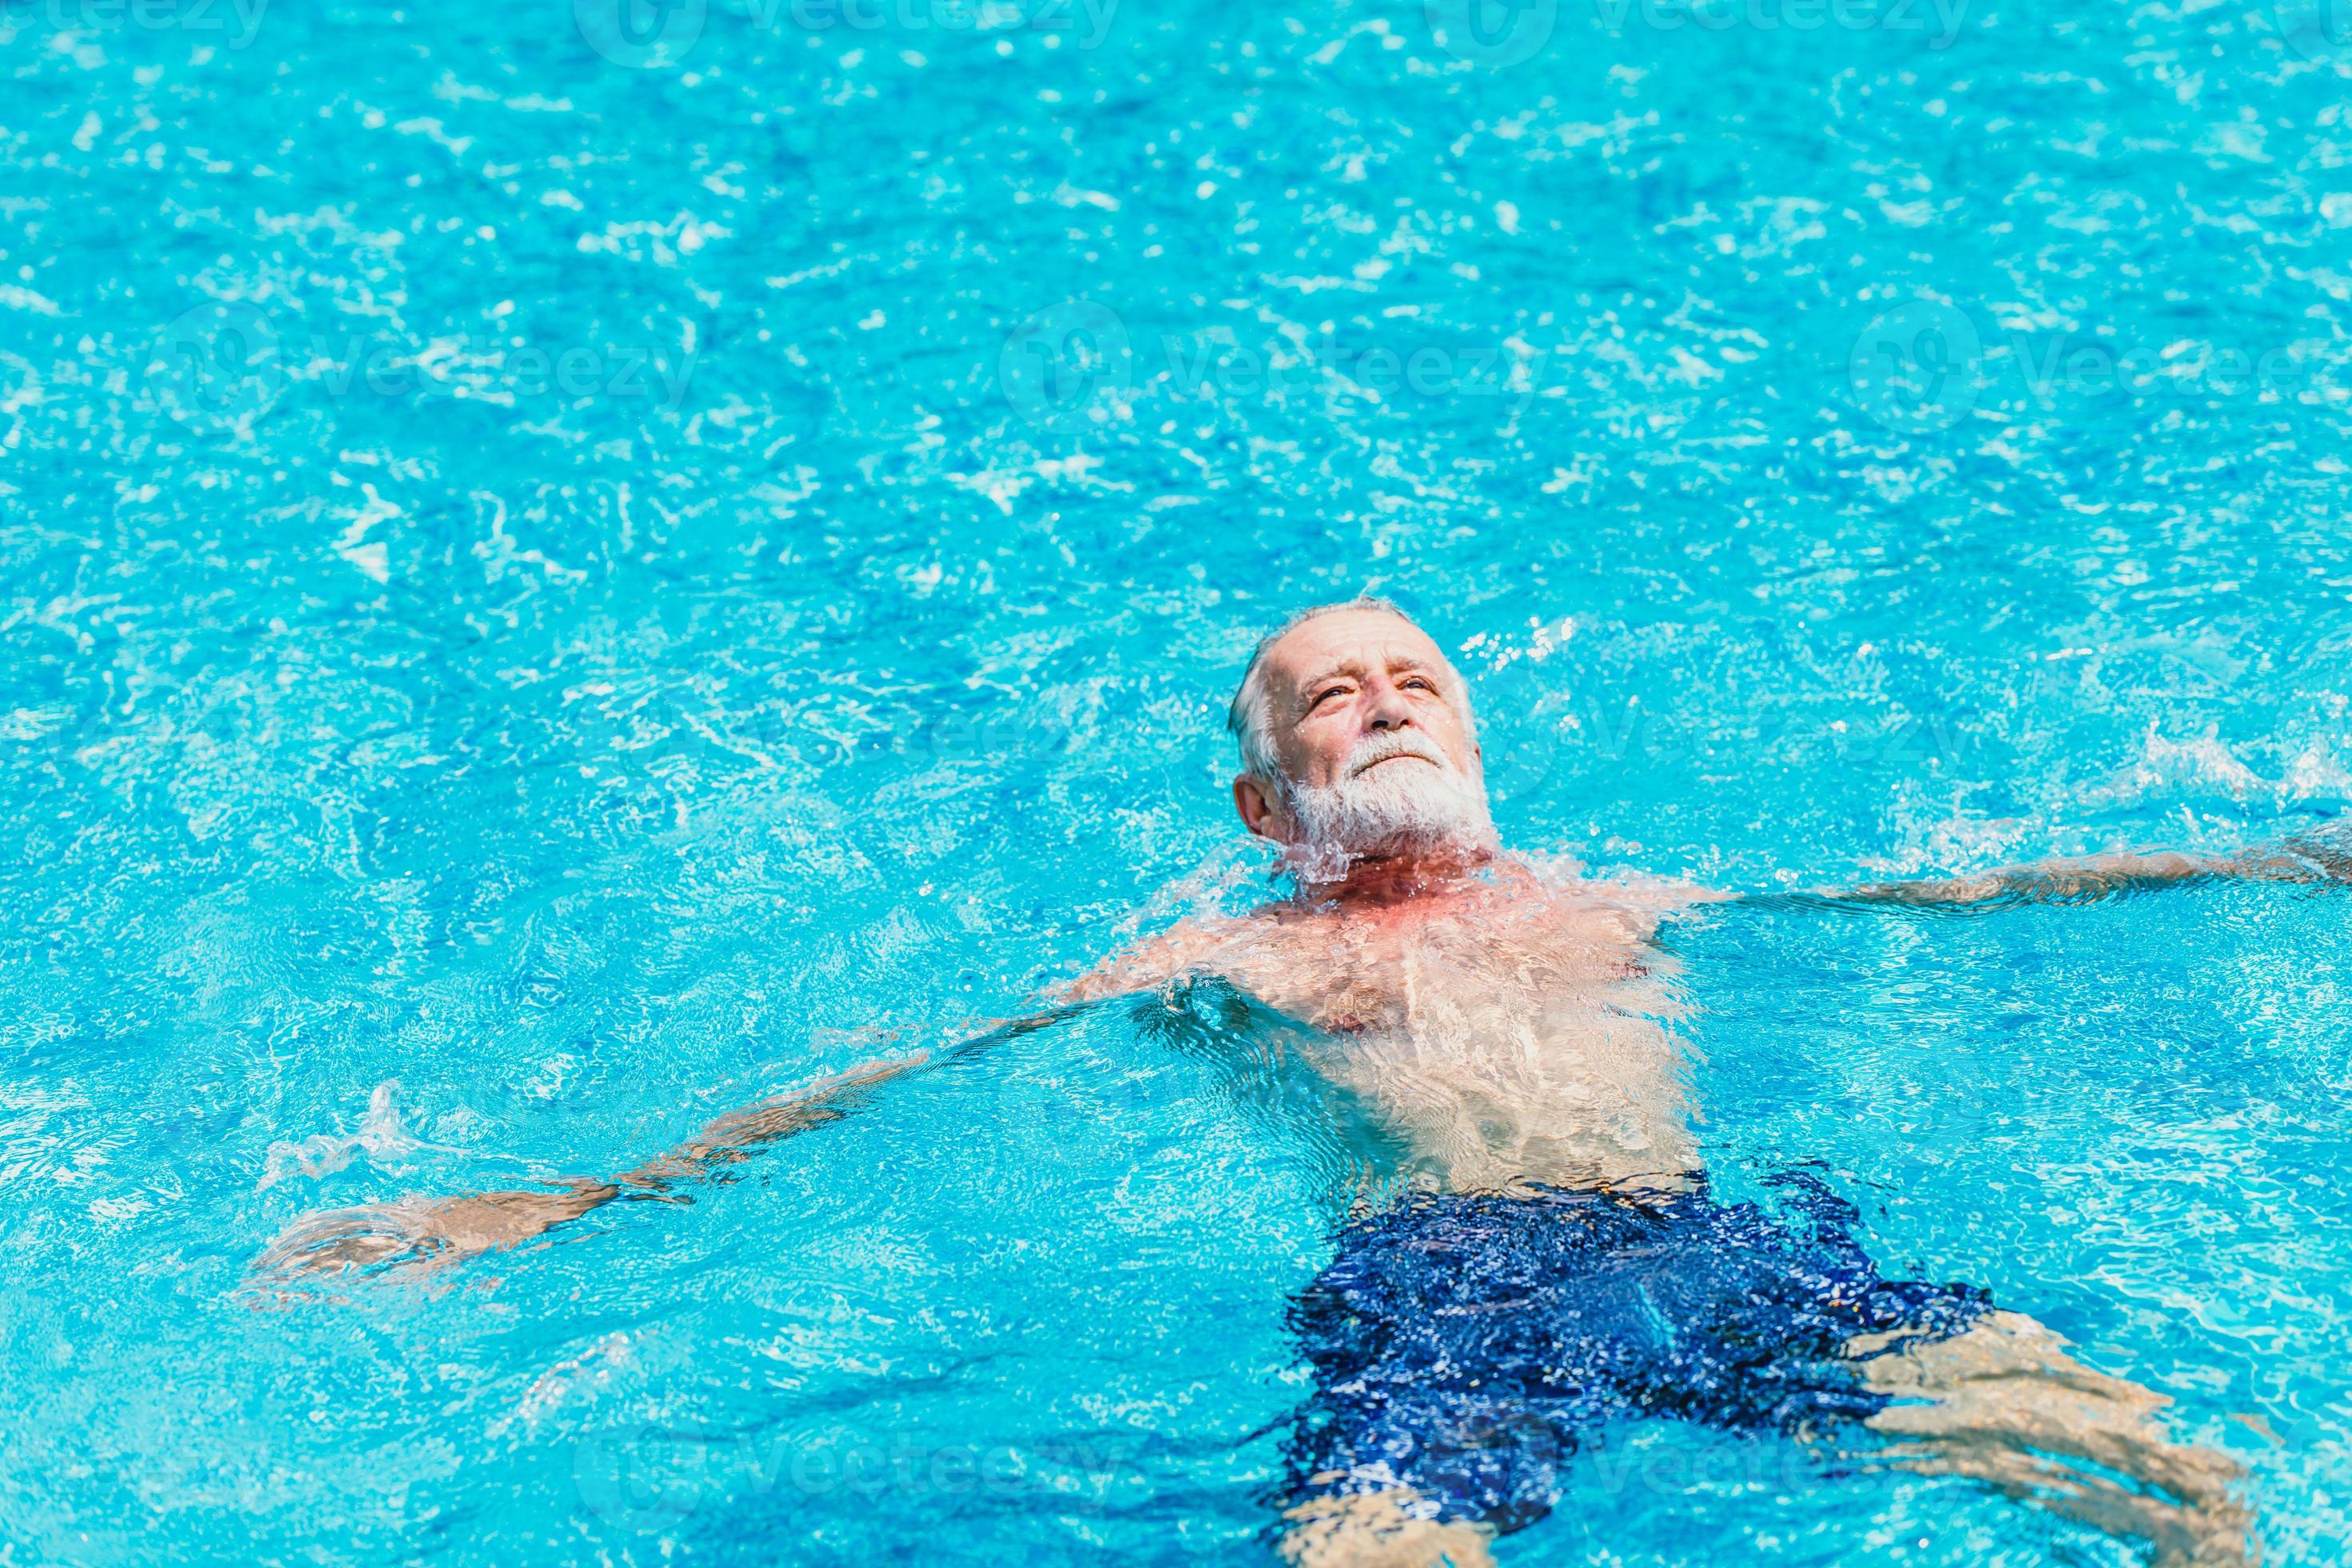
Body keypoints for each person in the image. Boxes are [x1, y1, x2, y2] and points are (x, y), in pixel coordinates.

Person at [258, 599, 2341, 1566]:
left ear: (1479, 734)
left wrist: (2266, 866)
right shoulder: (1235, 951)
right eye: (1328, 701)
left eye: (1413, 679)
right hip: (1441, 1302)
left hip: (1710, 1250)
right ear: (1269, 803)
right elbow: (885, 1082)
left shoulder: (1618, 893)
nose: (1381, 703)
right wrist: (562, 1212)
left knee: (2182, 1486)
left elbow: (1963, 903)